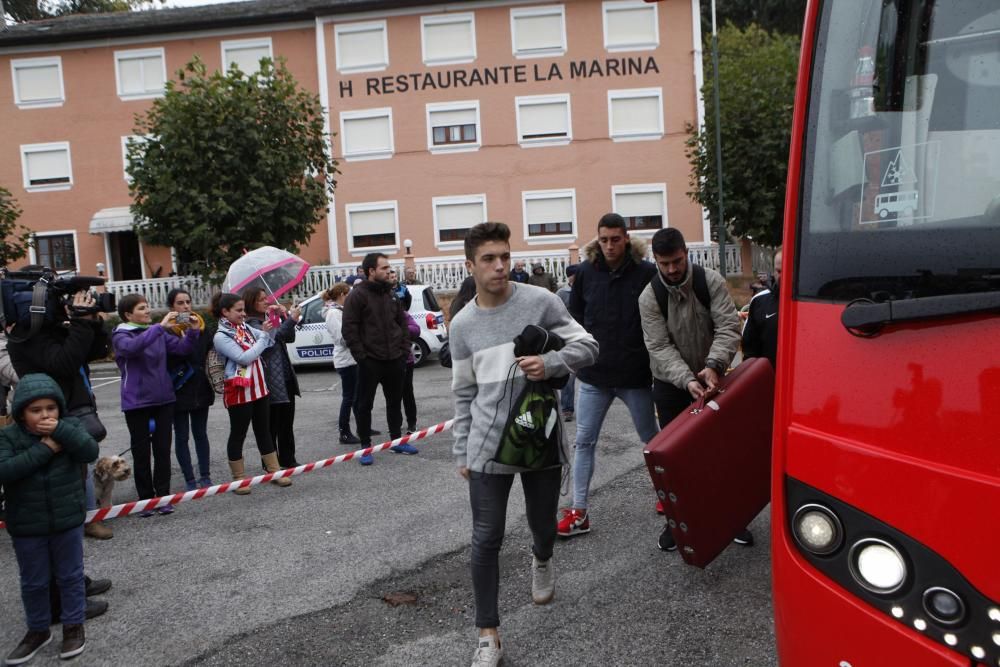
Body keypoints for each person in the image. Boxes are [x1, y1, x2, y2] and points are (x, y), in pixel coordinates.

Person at [450, 222, 598, 667]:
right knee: (485, 539)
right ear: (470, 265)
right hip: (486, 447)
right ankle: (488, 634)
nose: (500, 266)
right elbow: (462, 394)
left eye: (505, 256)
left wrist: (551, 360)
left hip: (539, 439)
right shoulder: (462, 325)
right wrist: (462, 451)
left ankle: (542, 557)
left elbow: (588, 346)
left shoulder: (541, 301)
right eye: (489, 259)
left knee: (542, 523)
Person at [638, 227, 750, 551]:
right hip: (672, 385)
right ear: (655, 261)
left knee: (722, 453)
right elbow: (657, 346)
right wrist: (687, 379)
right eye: (664, 263)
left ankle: (732, 517)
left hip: (715, 375)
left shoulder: (709, 280)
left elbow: (729, 325)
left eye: (676, 261)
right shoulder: (649, 297)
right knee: (675, 461)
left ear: (686, 253)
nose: (672, 269)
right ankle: (678, 524)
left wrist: (714, 366)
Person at [558, 213, 659, 538]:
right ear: (597, 240)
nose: (610, 245)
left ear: (626, 238)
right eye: (604, 239)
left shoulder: (646, 272)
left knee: (653, 441)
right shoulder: (586, 272)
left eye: (616, 239)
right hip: (593, 376)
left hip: (635, 375)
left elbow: (660, 316)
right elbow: (573, 317)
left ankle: (668, 497)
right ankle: (579, 511)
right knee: (583, 442)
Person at [0, 373, 99, 664]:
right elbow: (5, 470)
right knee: (34, 581)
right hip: (27, 524)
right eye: (36, 410)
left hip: (66, 519)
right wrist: (44, 449)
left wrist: (62, 433)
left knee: (70, 576)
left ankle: (73, 625)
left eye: (50, 408)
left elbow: (89, 450)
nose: (45, 415)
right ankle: (38, 629)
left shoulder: (69, 428)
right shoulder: (8, 436)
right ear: (21, 413)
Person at [7, 287, 110, 539]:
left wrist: (91, 321)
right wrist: (79, 324)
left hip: (72, 412)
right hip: (48, 422)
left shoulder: (53, 328)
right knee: (60, 486)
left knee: (76, 477)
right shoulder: (27, 335)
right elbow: (64, 363)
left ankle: (74, 567)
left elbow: (96, 351)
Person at [112, 294, 200, 516]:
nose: (148, 311)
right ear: (128, 314)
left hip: (163, 399)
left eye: (148, 306)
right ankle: (144, 500)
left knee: (162, 451)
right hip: (136, 403)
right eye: (142, 308)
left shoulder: (156, 332)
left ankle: (163, 497)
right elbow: (132, 349)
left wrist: (193, 330)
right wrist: (159, 328)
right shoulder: (121, 335)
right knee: (142, 453)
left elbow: (182, 350)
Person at [341, 253, 417, 465]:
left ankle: (397, 441)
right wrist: (362, 357)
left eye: (388, 267)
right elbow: (349, 328)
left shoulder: (391, 295)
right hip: (370, 361)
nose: (388, 271)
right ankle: (365, 446)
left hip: (395, 358)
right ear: (371, 271)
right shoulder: (357, 295)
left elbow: (401, 323)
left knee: (395, 401)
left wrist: (403, 350)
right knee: (364, 404)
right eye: (383, 268)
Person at [212, 293, 291, 492]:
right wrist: (263, 336)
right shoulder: (221, 336)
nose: (243, 314)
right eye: (238, 310)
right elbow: (245, 357)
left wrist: (272, 321)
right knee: (238, 433)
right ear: (225, 312)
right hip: (239, 390)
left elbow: (269, 342)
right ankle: (238, 479)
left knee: (264, 430)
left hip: (258, 387)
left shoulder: (244, 328)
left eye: (243, 310)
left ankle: (274, 471)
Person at [243, 288, 302, 469]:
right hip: (268, 379)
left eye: (266, 298)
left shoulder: (268, 318)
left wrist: (283, 317)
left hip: (284, 376)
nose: (266, 302)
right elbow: (272, 341)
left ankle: (288, 458)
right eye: (261, 300)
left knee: (287, 422)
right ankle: (270, 463)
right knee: (271, 425)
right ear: (251, 302)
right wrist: (291, 319)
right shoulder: (252, 323)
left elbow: (288, 337)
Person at [165, 289, 216, 490]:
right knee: (182, 436)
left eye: (188, 302)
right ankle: (189, 479)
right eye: (180, 303)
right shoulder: (167, 331)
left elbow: (208, 355)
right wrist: (187, 336)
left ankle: (205, 475)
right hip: (178, 388)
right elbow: (171, 358)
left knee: (201, 434)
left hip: (200, 387)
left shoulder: (202, 327)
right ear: (172, 308)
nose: (186, 306)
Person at [323, 284, 360, 444]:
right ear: (342, 295)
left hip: (353, 359)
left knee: (358, 396)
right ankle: (344, 432)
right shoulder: (333, 313)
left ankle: (362, 427)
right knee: (349, 398)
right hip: (346, 361)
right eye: (349, 295)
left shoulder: (343, 311)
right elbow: (342, 338)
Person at [741, 250, 781, 368]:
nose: (782, 275)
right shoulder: (760, 301)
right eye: (779, 271)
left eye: (788, 270)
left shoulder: (810, 302)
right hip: (769, 379)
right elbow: (750, 350)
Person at [556, 264, 579, 421]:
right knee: (569, 376)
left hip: (586, 335)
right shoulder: (562, 293)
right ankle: (567, 409)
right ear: (570, 276)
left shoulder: (588, 289)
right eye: (575, 275)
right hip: (568, 338)